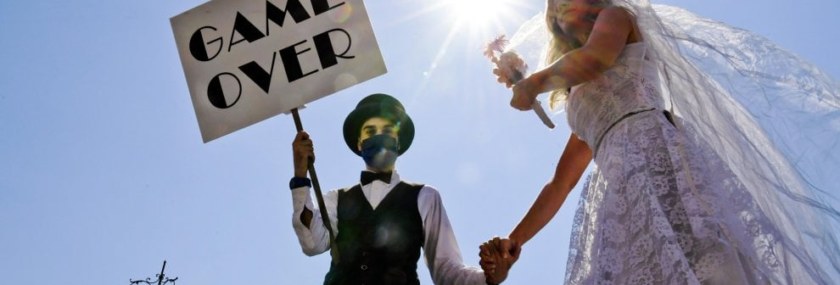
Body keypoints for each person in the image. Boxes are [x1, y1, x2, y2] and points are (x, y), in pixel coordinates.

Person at [479, 0, 840, 284]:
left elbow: (595, 59)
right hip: (621, 191)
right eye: (553, 5)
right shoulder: (580, 97)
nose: (560, 7)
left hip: (659, 155)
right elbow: (561, 182)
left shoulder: (616, 17)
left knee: (705, 263)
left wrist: (533, 84)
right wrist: (515, 241)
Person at [290, 93, 492, 285]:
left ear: (399, 142)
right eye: (370, 132)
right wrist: (301, 176)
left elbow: (446, 268)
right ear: (359, 143)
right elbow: (313, 244)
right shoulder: (337, 198)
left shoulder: (425, 196)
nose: (379, 137)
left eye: (387, 131)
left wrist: (487, 278)